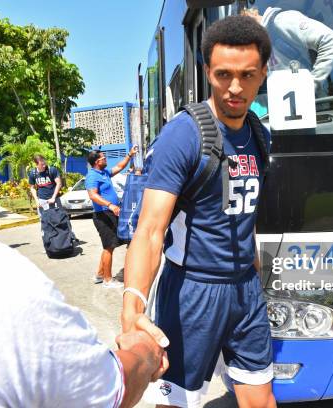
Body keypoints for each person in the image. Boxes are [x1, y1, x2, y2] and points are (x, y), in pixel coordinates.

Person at [0, 42, 168, 407]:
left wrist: (54, 193)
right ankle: (103, 277)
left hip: (65, 208)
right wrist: (144, 352)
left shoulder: (67, 173)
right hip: (102, 215)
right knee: (107, 248)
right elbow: (110, 390)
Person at [122, 16, 276, 408]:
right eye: (223, 74)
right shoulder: (184, 134)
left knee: (261, 397)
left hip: (245, 290)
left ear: (263, 74)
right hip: (193, 292)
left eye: (247, 75)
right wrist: (131, 306)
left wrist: (254, 276)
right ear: (208, 71)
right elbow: (150, 230)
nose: (235, 88)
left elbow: (245, 213)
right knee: (178, 404)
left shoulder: (260, 134)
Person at [244, 1, 333, 85]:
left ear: (249, 14)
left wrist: (314, 84)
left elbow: (332, 41)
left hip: (329, 98)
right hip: (297, 103)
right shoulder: (261, 44)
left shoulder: (283, 21)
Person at [86, 146, 138, 287]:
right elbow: (93, 195)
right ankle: (107, 280)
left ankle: (99, 274)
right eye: (103, 158)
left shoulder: (104, 173)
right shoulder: (92, 176)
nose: (105, 159)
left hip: (109, 214)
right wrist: (110, 205)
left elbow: (119, 167)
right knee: (108, 247)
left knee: (110, 246)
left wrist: (130, 155)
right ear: (97, 162)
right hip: (103, 215)